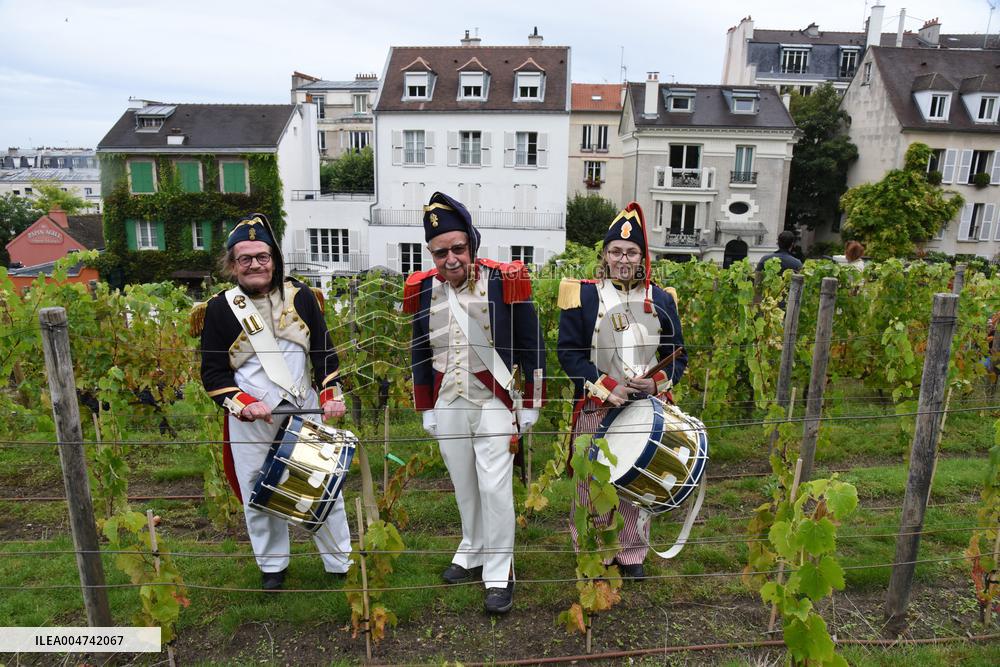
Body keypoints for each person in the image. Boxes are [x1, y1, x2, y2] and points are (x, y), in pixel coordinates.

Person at [403, 192, 545, 614]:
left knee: (495, 487)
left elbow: (531, 344)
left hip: (494, 400)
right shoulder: (422, 289)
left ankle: (499, 570)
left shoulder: (507, 279)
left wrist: (532, 401)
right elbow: (419, 352)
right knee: (464, 483)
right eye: (440, 252)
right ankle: (473, 545)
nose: (450, 260)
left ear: (472, 244)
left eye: (458, 249)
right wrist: (426, 405)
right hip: (449, 399)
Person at [194, 213, 351, 591]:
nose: (255, 265)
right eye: (245, 258)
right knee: (256, 491)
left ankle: (339, 561)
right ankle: (273, 566)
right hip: (251, 417)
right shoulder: (219, 308)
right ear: (232, 265)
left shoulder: (302, 296)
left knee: (323, 486)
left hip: (304, 408)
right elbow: (213, 373)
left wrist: (330, 394)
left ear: (274, 259)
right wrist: (242, 404)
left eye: (262, 257)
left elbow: (324, 355)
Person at [556, 202, 687, 580]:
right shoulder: (583, 295)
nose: (623, 259)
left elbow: (677, 356)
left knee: (636, 477)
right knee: (591, 480)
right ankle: (594, 551)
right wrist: (606, 386)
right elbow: (569, 354)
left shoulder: (662, 299)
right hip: (598, 403)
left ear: (642, 257)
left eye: (631, 252)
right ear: (605, 255)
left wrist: (656, 382)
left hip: (646, 406)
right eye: (616, 251)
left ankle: (631, 551)